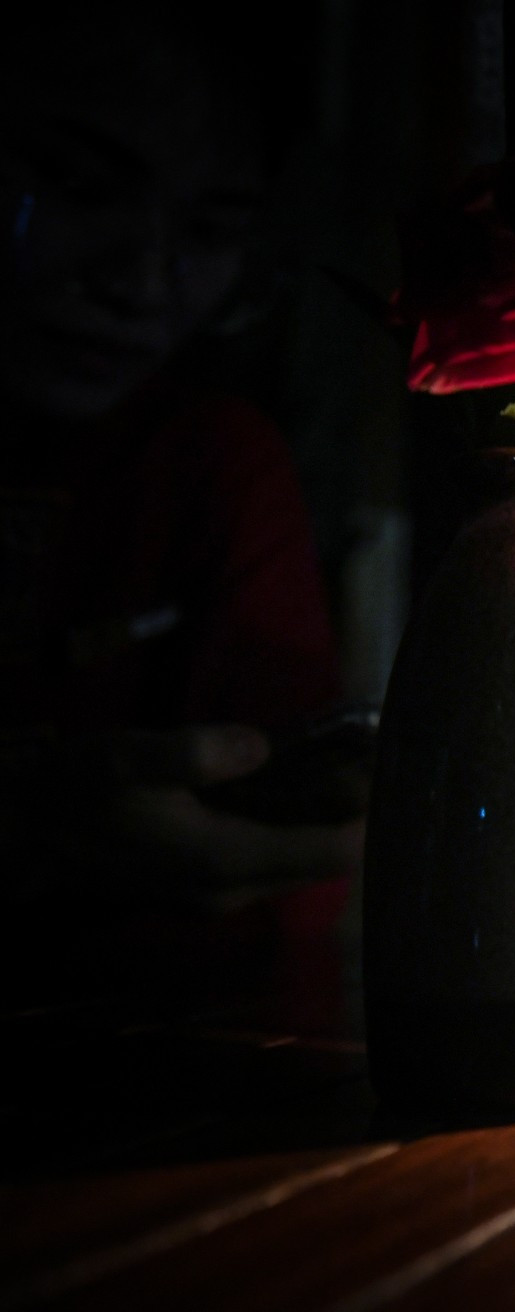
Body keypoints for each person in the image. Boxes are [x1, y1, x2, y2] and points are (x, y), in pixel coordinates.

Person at [0, 6, 362, 949]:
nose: (145, 279)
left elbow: (292, 876)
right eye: (82, 186)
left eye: (210, 228)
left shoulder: (210, 462)